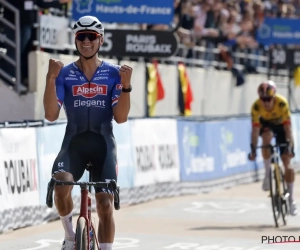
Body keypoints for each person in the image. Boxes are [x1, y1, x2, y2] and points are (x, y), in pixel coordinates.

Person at [43, 15, 133, 250]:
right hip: (74, 144)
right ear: (75, 39)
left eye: (91, 36)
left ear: (100, 40)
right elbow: (51, 115)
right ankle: (71, 235)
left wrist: (126, 87)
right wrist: (50, 78)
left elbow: (121, 118)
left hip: (103, 145)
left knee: (104, 204)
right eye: (81, 36)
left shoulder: (114, 74)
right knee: (60, 185)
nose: (86, 41)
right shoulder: (64, 74)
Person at [248, 80, 297, 216]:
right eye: (263, 99)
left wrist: (289, 147)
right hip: (266, 126)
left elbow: (288, 129)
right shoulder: (256, 107)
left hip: (282, 128)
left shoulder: (282, 103)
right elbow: (255, 131)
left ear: (274, 97)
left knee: (288, 163)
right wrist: (252, 149)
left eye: (268, 99)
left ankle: (292, 200)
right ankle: (267, 174)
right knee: (265, 138)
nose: (266, 103)